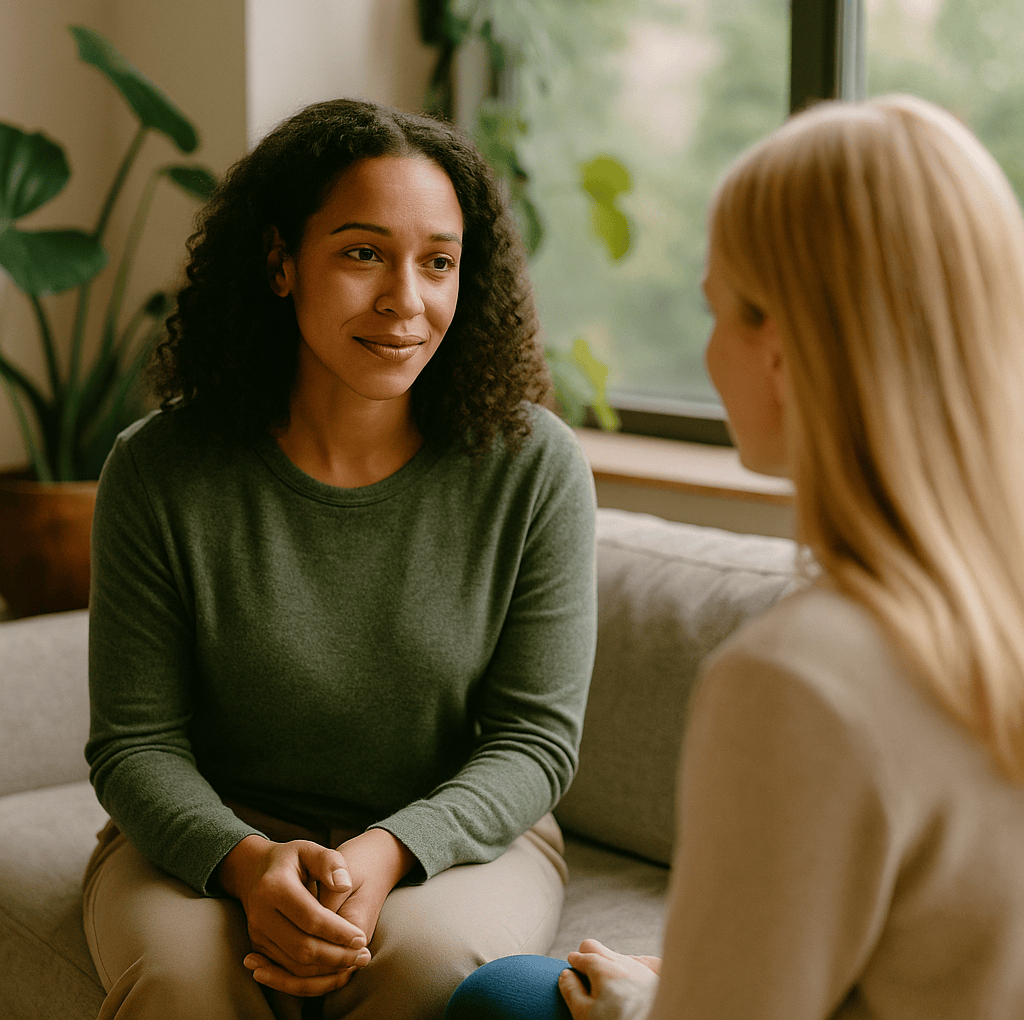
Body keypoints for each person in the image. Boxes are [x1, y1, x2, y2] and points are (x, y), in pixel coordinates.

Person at [445, 93, 1024, 1020]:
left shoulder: (798, 681)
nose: (710, 355)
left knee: (504, 1002)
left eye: (718, 312)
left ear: (784, 353)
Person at [82, 98, 597, 1020]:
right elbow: (135, 742)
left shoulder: (536, 468)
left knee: (424, 973)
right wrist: (244, 863)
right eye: (363, 253)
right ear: (281, 262)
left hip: (451, 836)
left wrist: (386, 850)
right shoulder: (157, 469)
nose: (407, 300)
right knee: (182, 989)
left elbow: (534, 742)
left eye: (438, 262)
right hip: (212, 828)